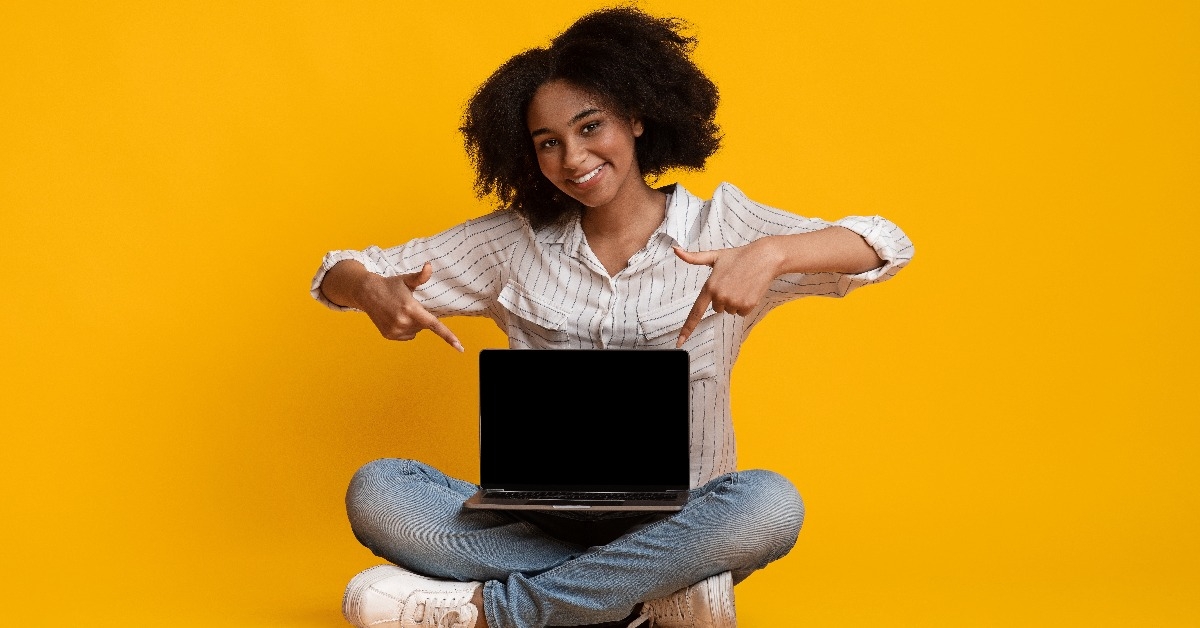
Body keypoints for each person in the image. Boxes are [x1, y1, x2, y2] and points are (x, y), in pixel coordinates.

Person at [312, 7, 913, 628]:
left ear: (636, 117)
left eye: (590, 126)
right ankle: (649, 589)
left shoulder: (723, 227)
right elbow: (339, 269)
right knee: (379, 490)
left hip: (684, 516)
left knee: (768, 505)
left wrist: (773, 252)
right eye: (548, 143)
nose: (573, 158)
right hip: (538, 515)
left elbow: (886, 244)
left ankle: (496, 610)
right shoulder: (512, 243)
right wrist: (370, 290)